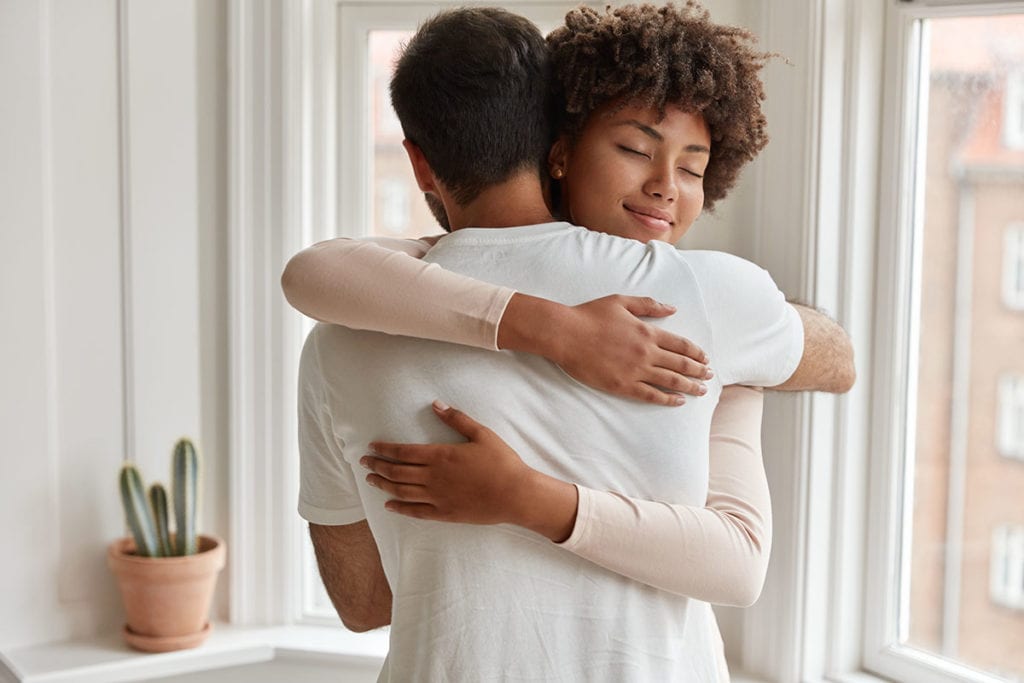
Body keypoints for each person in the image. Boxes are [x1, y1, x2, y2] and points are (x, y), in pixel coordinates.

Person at [293, 5, 852, 681]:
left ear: (419, 162)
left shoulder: (342, 335)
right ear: (558, 142)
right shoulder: (704, 301)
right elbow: (837, 358)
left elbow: (364, 604)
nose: (664, 187)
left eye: (691, 167)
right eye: (635, 149)